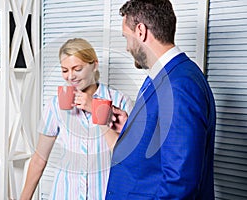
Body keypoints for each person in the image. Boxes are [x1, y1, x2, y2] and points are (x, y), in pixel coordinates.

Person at [105, 0, 216, 199]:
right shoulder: (161, 77)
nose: (127, 47)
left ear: (141, 31)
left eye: (126, 38)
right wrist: (131, 129)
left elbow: (180, 182)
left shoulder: (180, 85)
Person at [20, 38, 133, 200]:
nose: (70, 76)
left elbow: (127, 158)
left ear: (94, 65)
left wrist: (96, 108)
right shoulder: (55, 105)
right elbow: (39, 158)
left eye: (77, 69)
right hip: (64, 194)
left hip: (103, 195)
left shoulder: (120, 102)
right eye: (64, 70)